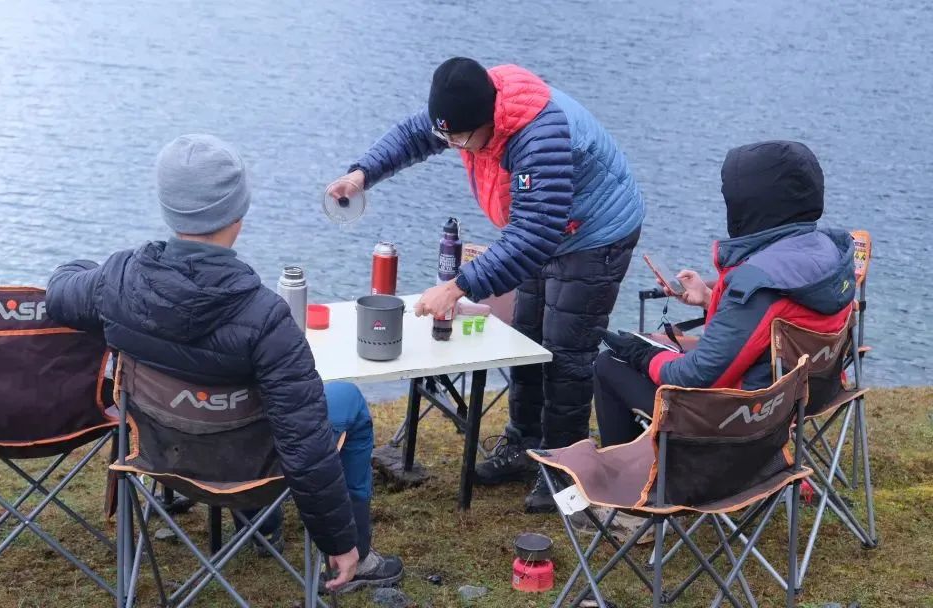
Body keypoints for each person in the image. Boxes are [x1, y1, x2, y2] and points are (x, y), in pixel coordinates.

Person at [45, 134, 403, 593]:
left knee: (245, 408)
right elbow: (305, 442)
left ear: (168, 208)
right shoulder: (267, 317)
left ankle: (261, 527)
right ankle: (357, 554)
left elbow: (59, 292)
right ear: (239, 214)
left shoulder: (117, 281)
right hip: (247, 464)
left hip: (159, 455)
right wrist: (339, 541)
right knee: (346, 400)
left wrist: (89, 268)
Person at [327, 57, 645, 512]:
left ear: (489, 120)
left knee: (566, 352)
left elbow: (535, 235)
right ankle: (524, 444)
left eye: (460, 139)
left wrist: (457, 286)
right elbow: (414, 135)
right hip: (548, 228)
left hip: (596, 235)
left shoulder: (539, 137)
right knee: (527, 338)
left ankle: (565, 472)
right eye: (448, 137)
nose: (453, 145)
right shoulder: (467, 102)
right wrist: (361, 174)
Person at [596, 140, 856, 449]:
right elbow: (770, 324)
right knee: (654, 354)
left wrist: (642, 354)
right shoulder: (828, 251)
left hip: (739, 420)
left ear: (755, 203)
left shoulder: (760, 283)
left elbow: (693, 377)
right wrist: (710, 298)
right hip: (801, 399)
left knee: (609, 364)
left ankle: (635, 471)